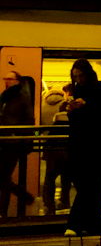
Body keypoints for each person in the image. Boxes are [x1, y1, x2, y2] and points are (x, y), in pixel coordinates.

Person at [64, 59, 101, 237]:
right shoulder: (78, 91)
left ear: (88, 73)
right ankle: (95, 225)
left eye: (80, 75)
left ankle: (74, 224)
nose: (78, 79)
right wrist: (71, 112)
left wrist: (86, 106)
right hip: (81, 145)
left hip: (96, 146)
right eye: (75, 77)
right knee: (91, 186)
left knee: (89, 185)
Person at [0, 71, 35, 218]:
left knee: (4, 176)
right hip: (2, 141)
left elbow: (29, 120)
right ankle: (22, 197)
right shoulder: (3, 97)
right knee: (4, 177)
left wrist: (20, 136)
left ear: (17, 81)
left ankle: (3, 211)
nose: (6, 81)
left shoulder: (23, 99)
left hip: (12, 144)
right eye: (5, 78)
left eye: (9, 79)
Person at [40, 85, 72, 216]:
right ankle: (65, 200)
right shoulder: (72, 120)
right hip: (69, 153)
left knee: (50, 179)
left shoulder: (43, 105)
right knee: (67, 179)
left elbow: (43, 131)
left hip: (53, 154)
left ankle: (49, 203)